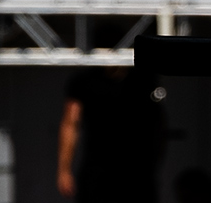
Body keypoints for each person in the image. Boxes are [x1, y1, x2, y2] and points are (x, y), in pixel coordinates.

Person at [56, 63, 166, 202]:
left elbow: (158, 125)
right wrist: (64, 170)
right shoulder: (85, 80)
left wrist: (153, 164)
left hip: (136, 169)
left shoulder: (142, 79)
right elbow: (71, 123)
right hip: (98, 169)